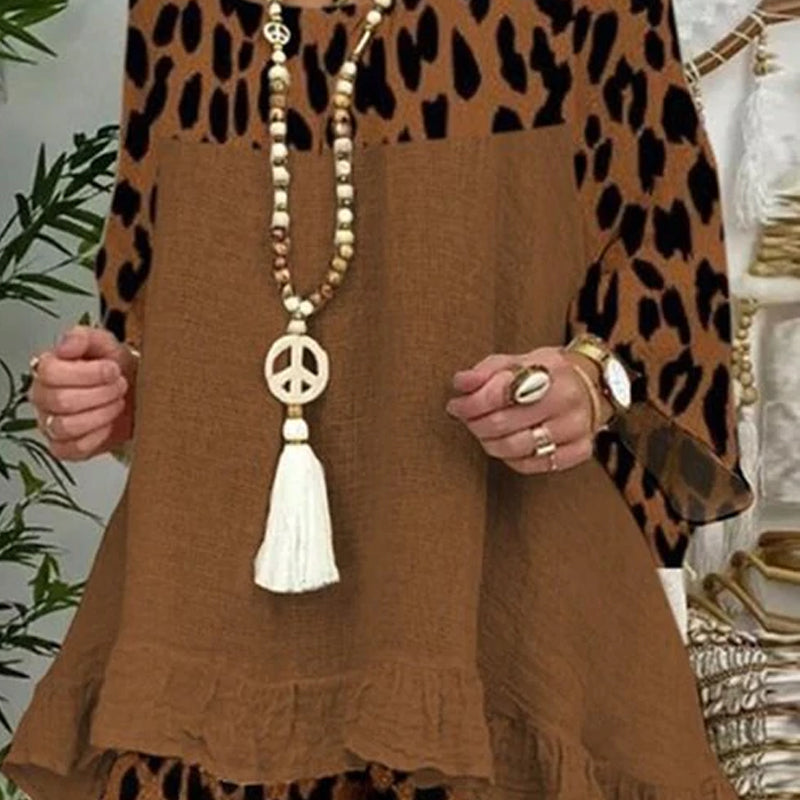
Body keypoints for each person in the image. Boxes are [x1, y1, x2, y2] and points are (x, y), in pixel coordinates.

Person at [2, 0, 754, 799]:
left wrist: (592, 382)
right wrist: (119, 389)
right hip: (214, 638)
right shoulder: (177, 11)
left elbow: (671, 278)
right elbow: (155, 303)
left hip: (494, 611)